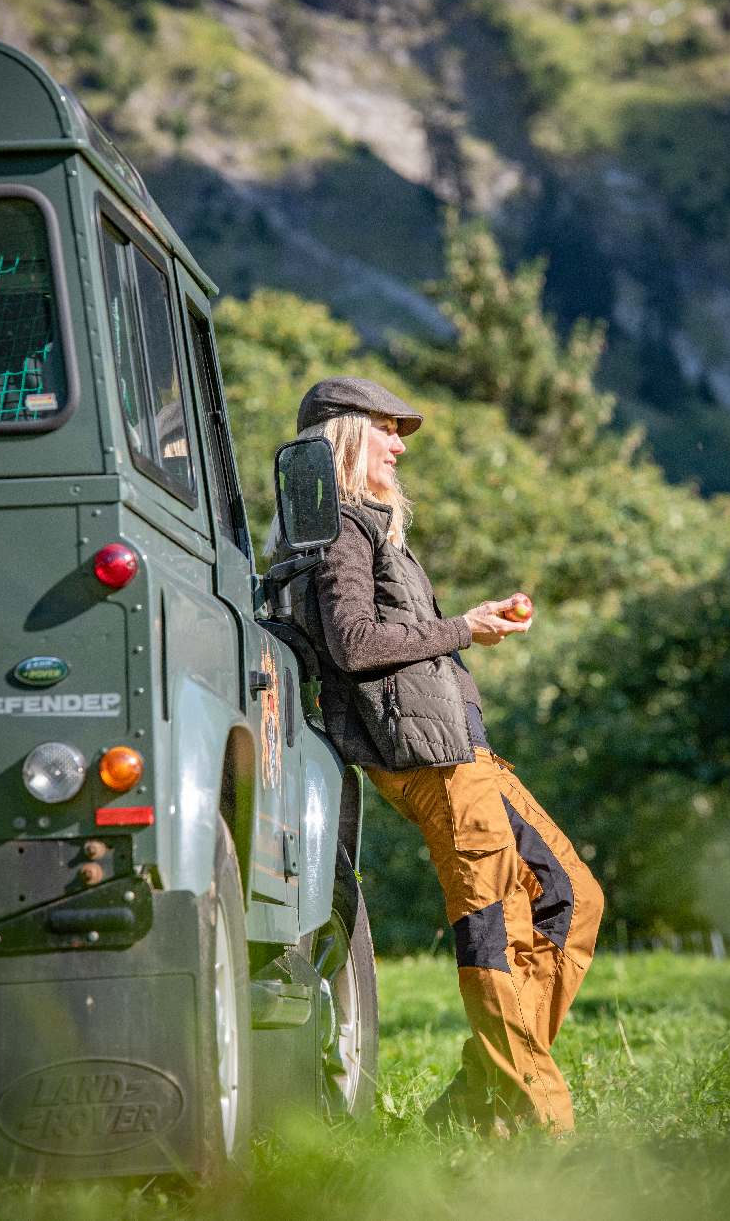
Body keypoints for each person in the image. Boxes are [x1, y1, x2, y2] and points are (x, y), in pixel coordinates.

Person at [284, 375, 604, 1135]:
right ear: (346, 438)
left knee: (571, 901)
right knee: (497, 930)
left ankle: (477, 1098)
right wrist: (464, 627)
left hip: (465, 754)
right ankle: (540, 1127)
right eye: (387, 429)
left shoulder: (372, 526)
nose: (400, 445)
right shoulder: (340, 533)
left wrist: (469, 625)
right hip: (430, 766)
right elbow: (356, 645)